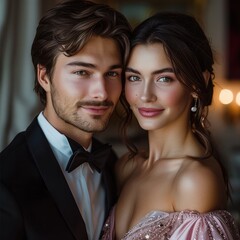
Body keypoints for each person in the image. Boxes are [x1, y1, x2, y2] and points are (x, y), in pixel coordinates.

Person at [101, 12, 240, 239]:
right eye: (134, 77)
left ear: (197, 84)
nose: (145, 96)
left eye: (163, 78)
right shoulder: (126, 167)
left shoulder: (194, 180)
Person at [0, 0, 131, 239]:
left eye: (112, 73)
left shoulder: (110, 163)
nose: (101, 92)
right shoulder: (6, 180)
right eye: (82, 72)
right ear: (44, 77)